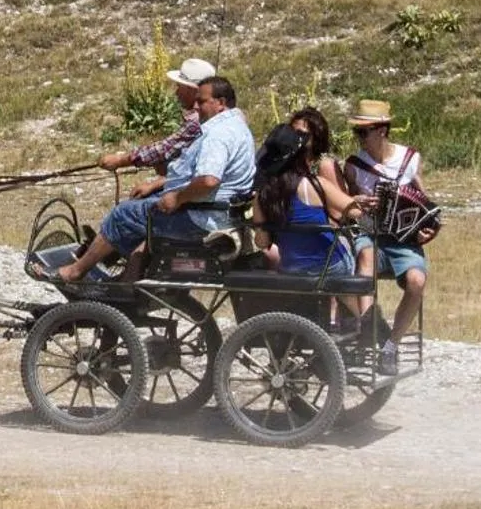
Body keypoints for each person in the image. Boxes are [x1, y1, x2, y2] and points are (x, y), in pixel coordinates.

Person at [41, 76, 255, 282]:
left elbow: (209, 180)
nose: (196, 107)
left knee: (122, 215)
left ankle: (75, 272)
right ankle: (130, 276)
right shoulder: (238, 127)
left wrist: (177, 198)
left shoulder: (217, 134)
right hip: (220, 214)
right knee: (146, 207)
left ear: (221, 103)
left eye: (201, 101)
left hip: (200, 219)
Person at [341, 99, 426, 372]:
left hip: (402, 237)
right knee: (365, 254)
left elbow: (424, 201)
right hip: (370, 232)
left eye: (363, 132)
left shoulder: (410, 159)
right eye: (357, 132)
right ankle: (369, 326)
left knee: (417, 281)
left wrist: (427, 226)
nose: (359, 138)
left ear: (382, 131)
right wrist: (357, 202)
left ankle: (390, 346)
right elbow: (347, 204)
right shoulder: (354, 165)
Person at [95, 56, 219, 203]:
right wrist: (155, 183)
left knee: (122, 213)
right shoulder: (215, 117)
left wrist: (120, 160)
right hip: (189, 187)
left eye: (180, 87)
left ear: (193, 90)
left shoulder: (197, 121)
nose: (176, 92)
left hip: (195, 199)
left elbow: (163, 149)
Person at [251, 122, 362, 275]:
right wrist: (356, 199)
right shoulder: (313, 184)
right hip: (330, 267)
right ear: (300, 156)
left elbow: (262, 242)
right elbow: (355, 212)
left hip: (291, 269)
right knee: (352, 245)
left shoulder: (262, 194)